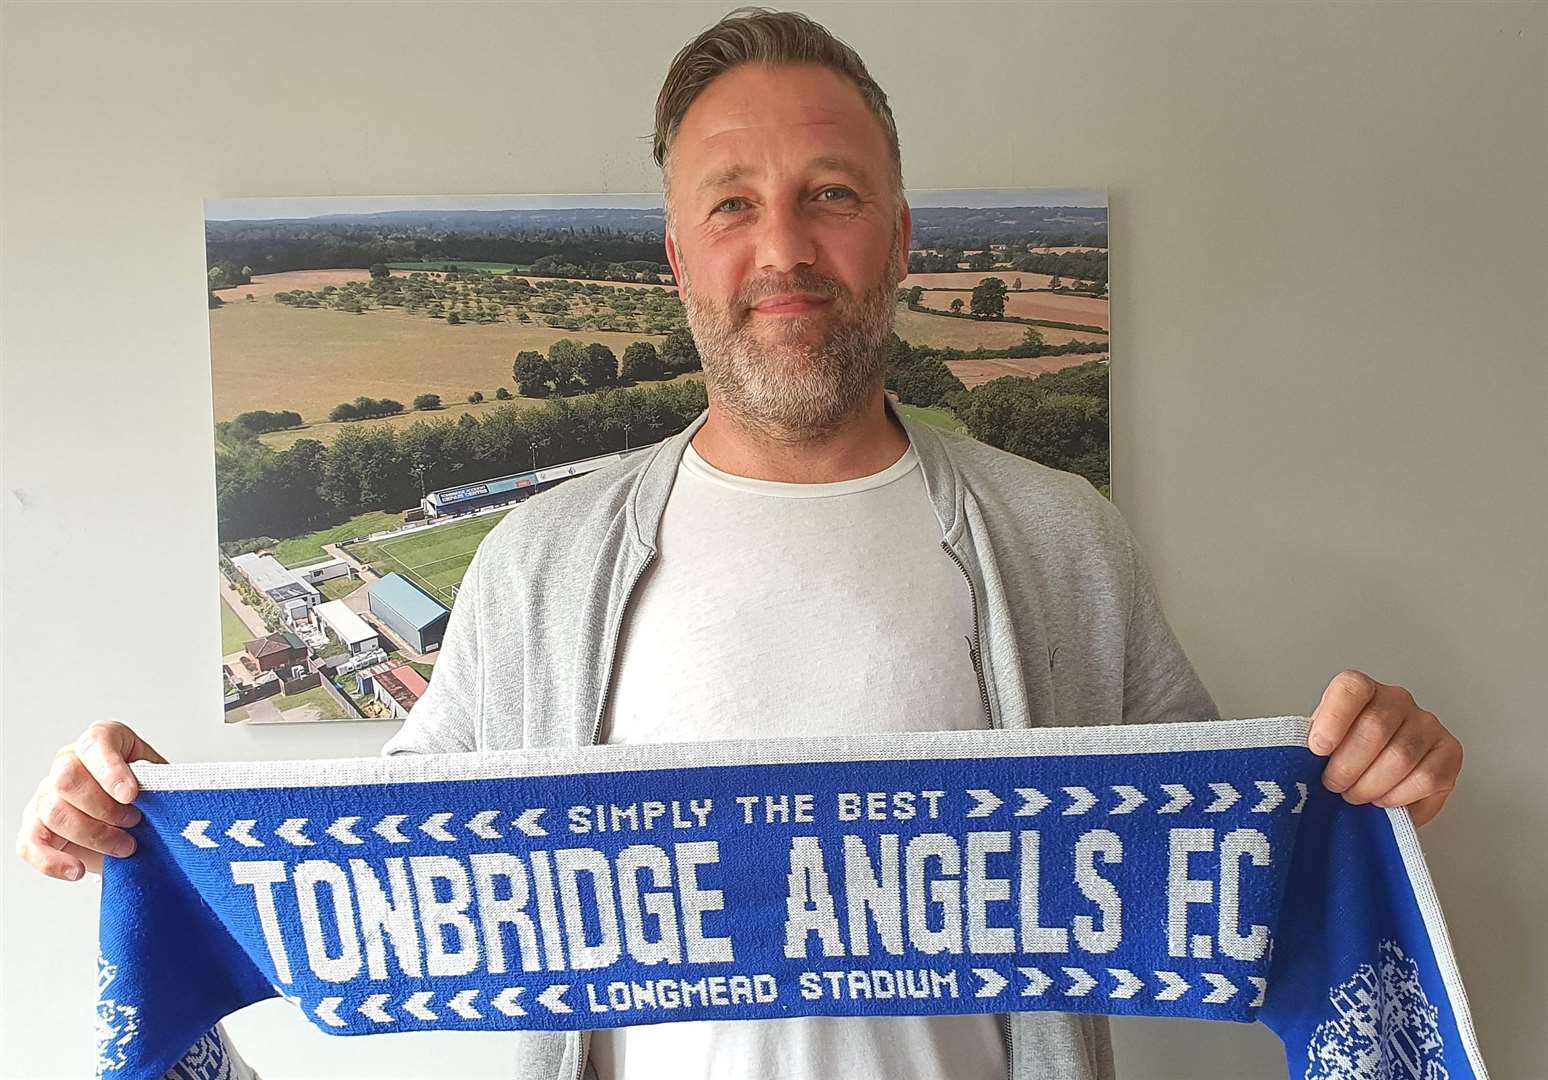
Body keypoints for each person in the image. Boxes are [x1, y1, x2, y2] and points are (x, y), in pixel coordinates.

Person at [16, 8, 1464, 1080]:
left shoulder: (1061, 542)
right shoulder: (537, 564)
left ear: (897, 237)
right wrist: (153, 825)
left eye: (831, 196)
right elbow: (374, 893)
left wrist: (1364, 783)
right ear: (676, 258)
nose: (784, 248)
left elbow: (1244, 870)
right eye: (733, 204)